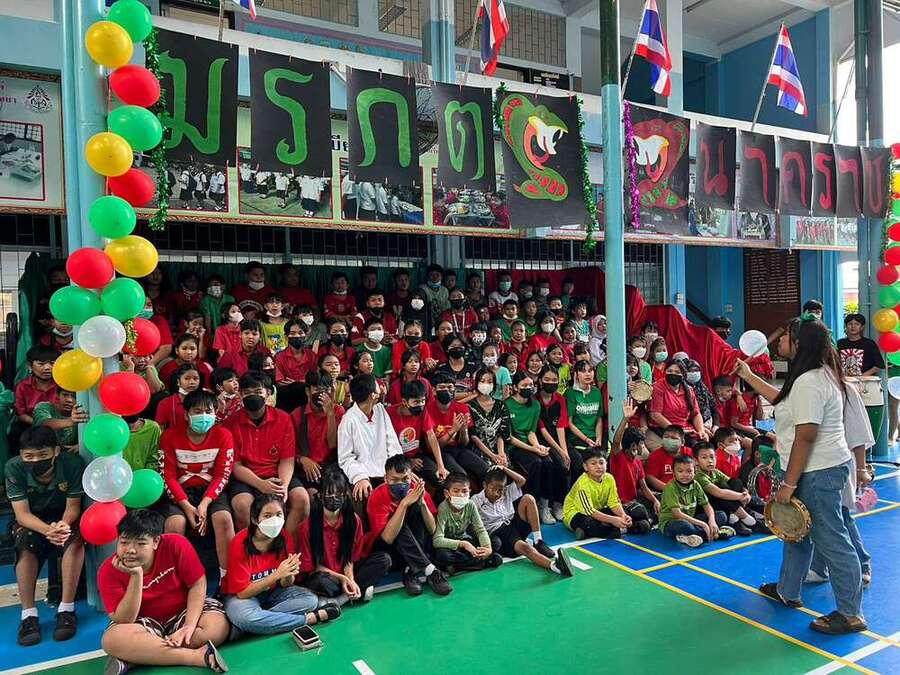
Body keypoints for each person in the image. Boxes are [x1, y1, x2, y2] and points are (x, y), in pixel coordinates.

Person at [733, 316, 867, 634]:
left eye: (786, 336)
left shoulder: (810, 381)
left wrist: (788, 483)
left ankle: (850, 614)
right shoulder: (810, 375)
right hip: (814, 467)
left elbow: (806, 436)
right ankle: (788, 590)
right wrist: (748, 375)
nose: (779, 341)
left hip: (817, 471)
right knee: (796, 532)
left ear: (798, 343)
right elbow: (781, 401)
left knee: (832, 540)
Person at [98, 510, 229, 674]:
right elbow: (125, 619)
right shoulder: (108, 570)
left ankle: (138, 656)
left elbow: (197, 584)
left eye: (140, 544)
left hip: (184, 611)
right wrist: (136, 576)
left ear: (155, 542)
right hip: (142, 623)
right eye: (124, 542)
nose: (130, 550)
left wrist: (189, 626)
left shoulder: (176, 544)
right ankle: (196, 656)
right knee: (111, 640)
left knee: (217, 628)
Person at [7, 427, 85, 646]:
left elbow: (73, 506)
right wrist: (47, 530)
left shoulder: (72, 464)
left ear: (56, 451)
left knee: (75, 540)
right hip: (32, 520)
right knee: (26, 543)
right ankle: (28, 615)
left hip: (63, 517)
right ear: (21, 454)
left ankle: (66, 610)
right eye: (29, 456)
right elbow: (22, 514)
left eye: (42, 455)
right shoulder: (14, 467)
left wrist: (63, 525)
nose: (35, 460)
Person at [222, 494, 339, 635]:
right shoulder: (239, 543)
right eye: (267, 516)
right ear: (254, 519)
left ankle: (259, 623)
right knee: (244, 615)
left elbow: (286, 584)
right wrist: (276, 575)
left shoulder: (284, 537)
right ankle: (309, 619)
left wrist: (289, 573)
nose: (274, 520)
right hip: (244, 597)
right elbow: (242, 593)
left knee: (310, 600)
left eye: (278, 514)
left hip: (273, 593)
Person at [159, 390, 235, 579]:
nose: (204, 416)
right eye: (197, 411)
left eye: (208, 411)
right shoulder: (169, 436)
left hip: (211, 493)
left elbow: (222, 474)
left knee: (223, 519)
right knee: (175, 523)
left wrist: (204, 504)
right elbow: (168, 476)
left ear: (215, 413)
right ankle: (173, 579)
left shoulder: (224, 435)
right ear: (186, 414)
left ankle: (228, 577)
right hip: (180, 493)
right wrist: (186, 506)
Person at [226, 372, 309, 533]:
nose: (252, 396)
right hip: (246, 478)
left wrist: (283, 487)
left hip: (277, 474)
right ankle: (253, 545)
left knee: (302, 499)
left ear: (268, 393)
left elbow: (287, 460)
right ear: (240, 394)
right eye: (247, 392)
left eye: (258, 392)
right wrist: (260, 484)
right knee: (242, 505)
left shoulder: (284, 419)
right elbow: (235, 466)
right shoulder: (231, 423)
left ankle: (286, 543)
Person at [298, 470, 391, 603]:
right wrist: (343, 579)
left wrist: (350, 579)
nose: (334, 498)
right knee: (320, 582)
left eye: (338, 494)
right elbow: (313, 568)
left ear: (345, 495)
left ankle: (343, 597)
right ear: (320, 495)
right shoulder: (308, 526)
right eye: (329, 494)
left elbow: (350, 559)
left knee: (384, 560)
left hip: (348, 571)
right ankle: (356, 590)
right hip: (326, 576)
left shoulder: (353, 520)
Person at [365, 455, 452, 596]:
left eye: (405, 479)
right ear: (386, 479)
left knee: (416, 508)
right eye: (394, 480)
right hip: (388, 551)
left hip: (414, 548)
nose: (400, 483)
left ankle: (410, 570)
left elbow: (432, 530)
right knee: (397, 519)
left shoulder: (416, 490)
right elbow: (387, 538)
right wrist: (404, 504)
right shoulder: (377, 496)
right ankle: (430, 570)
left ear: (411, 477)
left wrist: (422, 503)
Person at [472, 465, 572, 577]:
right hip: (500, 532)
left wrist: (503, 468)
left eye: (500, 490)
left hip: (513, 524)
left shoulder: (506, 492)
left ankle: (538, 541)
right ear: (484, 485)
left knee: (528, 498)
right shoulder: (476, 501)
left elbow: (521, 480)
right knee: (526, 548)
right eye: (492, 489)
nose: (496, 493)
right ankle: (555, 566)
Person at [505, 371, 567, 525]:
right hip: (514, 446)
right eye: (524, 385)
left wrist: (537, 446)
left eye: (531, 385)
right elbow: (510, 437)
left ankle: (544, 505)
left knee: (549, 463)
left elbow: (531, 432)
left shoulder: (535, 405)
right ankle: (530, 503)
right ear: (515, 387)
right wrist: (532, 449)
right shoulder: (506, 405)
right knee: (536, 463)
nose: (529, 388)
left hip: (530, 444)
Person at [338, 374, 403, 504]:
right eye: (378, 385)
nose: (381, 387)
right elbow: (345, 458)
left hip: (389, 472)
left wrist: (398, 469)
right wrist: (360, 477)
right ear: (372, 395)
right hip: (365, 475)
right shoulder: (348, 420)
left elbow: (392, 442)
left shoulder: (380, 410)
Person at [563, 449, 650, 539]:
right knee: (587, 523)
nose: (598, 466)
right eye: (593, 463)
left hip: (599, 510)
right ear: (585, 467)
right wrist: (613, 520)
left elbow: (614, 503)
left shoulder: (609, 478)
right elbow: (589, 511)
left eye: (601, 463)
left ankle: (595, 530)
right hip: (576, 514)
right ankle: (628, 529)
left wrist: (623, 516)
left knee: (637, 509)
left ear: (606, 464)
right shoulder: (582, 484)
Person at [433, 472, 501, 574]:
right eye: (456, 491)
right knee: (442, 555)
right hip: (452, 546)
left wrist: (487, 548)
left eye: (464, 491)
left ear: (469, 492)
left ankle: (459, 567)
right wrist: (464, 544)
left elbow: (480, 529)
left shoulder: (470, 505)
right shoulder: (443, 508)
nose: (461, 494)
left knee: (496, 542)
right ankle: (483, 562)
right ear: (447, 493)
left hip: (466, 542)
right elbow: (437, 540)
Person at [658, 455, 732, 548]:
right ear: (673, 472)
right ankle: (712, 534)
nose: (685, 475)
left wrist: (712, 521)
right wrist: (703, 524)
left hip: (691, 519)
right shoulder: (670, 488)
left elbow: (707, 505)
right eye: (680, 471)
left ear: (695, 471)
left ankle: (697, 536)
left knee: (721, 515)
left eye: (689, 471)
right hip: (672, 522)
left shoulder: (696, 485)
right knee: (684, 526)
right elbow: (677, 514)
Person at [427, 373, 489, 482]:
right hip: (440, 452)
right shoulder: (427, 410)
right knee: (460, 476)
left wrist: (464, 430)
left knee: (485, 470)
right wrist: (453, 430)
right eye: (442, 387)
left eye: (450, 387)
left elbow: (463, 443)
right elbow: (430, 448)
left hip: (458, 449)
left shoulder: (462, 408)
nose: (446, 390)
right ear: (434, 391)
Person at [609, 401, 660, 522]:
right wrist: (625, 419)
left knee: (661, 498)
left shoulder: (637, 462)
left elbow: (644, 488)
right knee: (640, 513)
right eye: (641, 444)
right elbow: (616, 441)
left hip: (635, 501)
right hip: (621, 504)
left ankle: (649, 519)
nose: (643, 446)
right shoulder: (618, 457)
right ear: (633, 446)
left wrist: (655, 501)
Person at [293, 372, 344, 491]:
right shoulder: (297, 415)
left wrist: (330, 414)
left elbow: (333, 444)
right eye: (317, 389)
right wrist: (302, 459)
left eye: (326, 389)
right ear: (308, 391)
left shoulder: (338, 411)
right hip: (305, 470)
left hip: (331, 469)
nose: (322, 393)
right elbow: (289, 448)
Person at [694, 443, 757, 536]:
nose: (710, 461)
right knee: (721, 490)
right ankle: (746, 517)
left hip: (726, 504)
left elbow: (734, 484)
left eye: (712, 457)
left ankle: (734, 516)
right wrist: (741, 496)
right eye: (704, 458)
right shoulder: (699, 476)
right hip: (706, 508)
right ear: (696, 461)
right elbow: (718, 493)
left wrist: (746, 493)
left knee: (736, 481)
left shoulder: (715, 472)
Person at [649, 359, 707, 445]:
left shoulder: (689, 390)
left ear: (683, 375)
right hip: (664, 428)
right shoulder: (658, 387)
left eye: (677, 372)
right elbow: (655, 415)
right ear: (665, 372)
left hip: (685, 429)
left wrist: (701, 431)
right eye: (670, 371)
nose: (673, 374)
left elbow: (696, 414)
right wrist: (677, 431)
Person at [469, 368, 511, 467]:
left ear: (494, 385)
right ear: (477, 383)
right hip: (476, 451)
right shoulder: (469, 406)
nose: (486, 384)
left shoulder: (501, 405)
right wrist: (492, 456)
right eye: (482, 381)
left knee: (505, 467)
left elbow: (502, 433)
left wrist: (501, 454)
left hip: (498, 449)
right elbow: (473, 435)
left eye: (489, 382)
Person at [565, 360, 604, 460]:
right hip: (577, 438)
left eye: (590, 370)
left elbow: (599, 419)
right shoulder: (570, 393)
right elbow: (570, 423)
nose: (587, 374)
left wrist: (598, 438)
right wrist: (586, 439)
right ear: (576, 374)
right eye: (583, 371)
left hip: (594, 437)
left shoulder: (596, 392)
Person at [15, 346, 59, 428]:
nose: (47, 368)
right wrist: (41, 424)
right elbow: (21, 414)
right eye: (41, 364)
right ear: (29, 366)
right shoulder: (22, 386)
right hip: (32, 425)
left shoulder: (62, 385)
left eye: (52, 363)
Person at [32, 387, 85, 452]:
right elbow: (44, 423)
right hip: (41, 450)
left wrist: (82, 446)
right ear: (58, 395)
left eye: (74, 397)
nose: (69, 400)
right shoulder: (44, 407)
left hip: (69, 453)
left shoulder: (82, 413)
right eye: (65, 395)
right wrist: (70, 421)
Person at [155, 364, 202, 431]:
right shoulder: (165, 403)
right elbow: (160, 429)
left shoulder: (205, 400)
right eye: (187, 378)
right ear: (178, 382)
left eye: (195, 378)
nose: (192, 382)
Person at [645, 426, 692, 491]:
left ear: (682, 442)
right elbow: (650, 477)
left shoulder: (689, 452)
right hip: (666, 491)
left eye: (673, 438)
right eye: (666, 437)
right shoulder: (655, 455)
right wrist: (669, 489)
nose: (669, 440)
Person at [836, 313, 884, 377]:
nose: (853, 326)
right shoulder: (840, 343)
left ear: (862, 327)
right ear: (846, 326)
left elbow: (879, 365)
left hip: (865, 380)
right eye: (850, 324)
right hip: (845, 380)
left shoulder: (869, 344)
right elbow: (834, 363)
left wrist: (864, 375)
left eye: (857, 324)